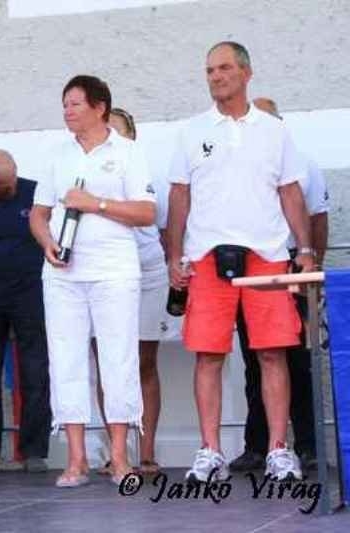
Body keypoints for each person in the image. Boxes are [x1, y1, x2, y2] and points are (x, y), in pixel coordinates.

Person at [167, 42, 314, 484]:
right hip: (207, 258)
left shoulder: (274, 130)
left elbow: (290, 191)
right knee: (209, 355)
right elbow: (179, 194)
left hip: (267, 256)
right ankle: (210, 451)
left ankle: (278, 450)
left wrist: (305, 250)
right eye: (210, 70)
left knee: (272, 353)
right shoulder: (191, 131)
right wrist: (174, 255)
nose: (216, 76)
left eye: (225, 68)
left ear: (246, 73)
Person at [29, 75, 156, 488]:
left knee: (118, 358)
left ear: (100, 108)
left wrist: (95, 203)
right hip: (63, 274)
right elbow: (39, 213)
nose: (67, 111)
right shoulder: (56, 154)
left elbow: (146, 212)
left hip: (114, 270)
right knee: (65, 358)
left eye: (76, 104)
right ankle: (76, 458)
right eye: (64, 104)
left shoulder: (128, 152)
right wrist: (46, 242)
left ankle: (119, 457)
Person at [229, 96, 329, 473]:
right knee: (255, 357)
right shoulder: (237, 164)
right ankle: (258, 445)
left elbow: (318, 218)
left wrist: (311, 267)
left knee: (299, 358)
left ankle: (308, 445)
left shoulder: (304, 163)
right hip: (254, 265)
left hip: (291, 263)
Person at [0, 149, 51, 475]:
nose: (12, 187)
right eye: (4, 185)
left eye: (13, 178)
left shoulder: (35, 192)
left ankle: (34, 451)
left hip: (30, 292)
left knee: (35, 370)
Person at [95, 107, 168, 476]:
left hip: (147, 273)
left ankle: (147, 452)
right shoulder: (89, 174)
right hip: (103, 273)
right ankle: (117, 452)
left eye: (118, 132)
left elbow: (167, 230)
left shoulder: (149, 175)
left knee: (144, 362)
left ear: (132, 138)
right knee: (108, 364)